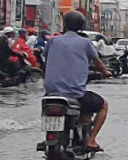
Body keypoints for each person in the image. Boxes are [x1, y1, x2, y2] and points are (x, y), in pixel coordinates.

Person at [44, 10, 110, 151]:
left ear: (65, 24)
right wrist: (105, 72)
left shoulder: (52, 41)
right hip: (75, 94)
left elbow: (45, 58)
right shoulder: (85, 43)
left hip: (50, 94)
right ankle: (91, 140)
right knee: (103, 105)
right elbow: (98, 63)